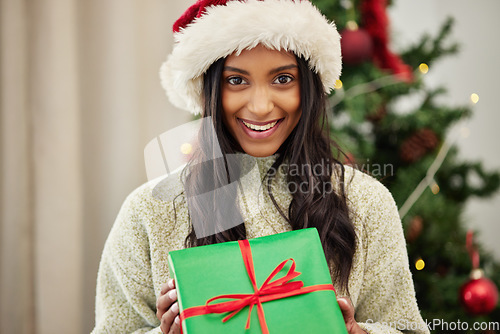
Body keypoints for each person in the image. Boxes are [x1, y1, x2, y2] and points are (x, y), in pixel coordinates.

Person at [92, 0, 430, 333]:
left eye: (283, 79)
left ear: (309, 86)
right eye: (236, 81)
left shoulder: (366, 201)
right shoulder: (149, 210)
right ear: (210, 89)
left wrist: (357, 332)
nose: (260, 106)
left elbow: (404, 327)